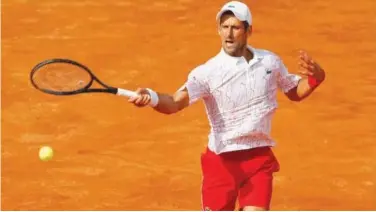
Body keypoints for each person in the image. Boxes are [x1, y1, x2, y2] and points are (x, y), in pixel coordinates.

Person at [128, 1, 325, 211]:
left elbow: (293, 91)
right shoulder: (207, 72)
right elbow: (175, 103)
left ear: (249, 30)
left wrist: (316, 79)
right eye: (224, 27)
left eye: (235, 27)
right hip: (221, 165)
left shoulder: (270, 62)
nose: (229, 34)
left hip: (257, 158)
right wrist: (151, 97)